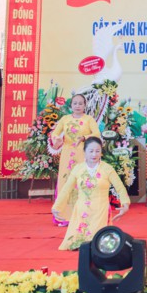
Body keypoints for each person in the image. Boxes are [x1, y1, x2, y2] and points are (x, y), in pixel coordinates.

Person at [52, 137, 129, 251]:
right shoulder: (78, 169)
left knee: (97, 244)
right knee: (77, 243)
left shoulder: (107, 168)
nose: (94, 154)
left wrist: (125, 204)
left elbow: (120, 187)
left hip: (101, 209)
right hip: (82, 210)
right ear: (84, 151)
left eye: (97, 151)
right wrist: (57, 207)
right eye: (91, 151)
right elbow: (66, 189)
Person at [50, 94, 101, 225]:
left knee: (83, 182)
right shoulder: (65, 119)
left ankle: (84, 216)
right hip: (67, 155)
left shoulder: (89, 119)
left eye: (80, 103)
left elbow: (96, 134)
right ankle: (64, 216)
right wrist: (56, 138)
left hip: (84, 155)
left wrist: (84, 137)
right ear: (71, 105)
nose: (77, 106)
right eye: (75, 103)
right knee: (66, 182)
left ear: (85, 105)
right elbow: (55, 133)